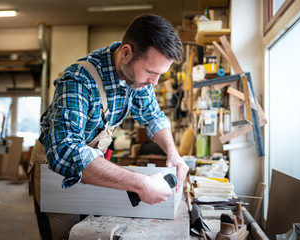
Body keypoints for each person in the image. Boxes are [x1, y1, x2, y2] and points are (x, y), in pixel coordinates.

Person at [29, 13, 189, 240]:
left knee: (93, 231)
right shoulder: (78, 80)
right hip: (55, 172)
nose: (154, 82)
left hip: (92, 166)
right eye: (151, 72)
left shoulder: (137, 79)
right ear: (126, 53)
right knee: (66, 235)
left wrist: (173, 153)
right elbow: (65, 151)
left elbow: (153, 116)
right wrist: (141, 183)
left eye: (160, 74)